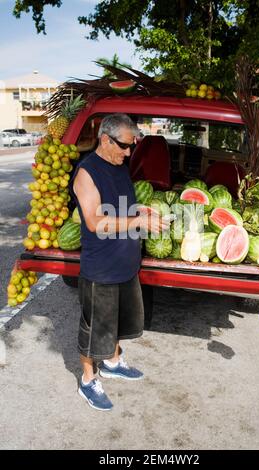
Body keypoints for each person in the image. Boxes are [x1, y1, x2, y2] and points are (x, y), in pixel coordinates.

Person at [72, 113, 169, 411]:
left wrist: (141, 209)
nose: (129, 153)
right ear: (105, 139)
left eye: (132, 146)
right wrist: (136, 220)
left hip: (126, 265)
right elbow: (94, 222)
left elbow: (118, 204)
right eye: (125, 146)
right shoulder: (87, 173)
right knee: (95, 329)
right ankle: (89, 380)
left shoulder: (119, 166)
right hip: (101, 268)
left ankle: (113, 361)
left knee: (118, 322)